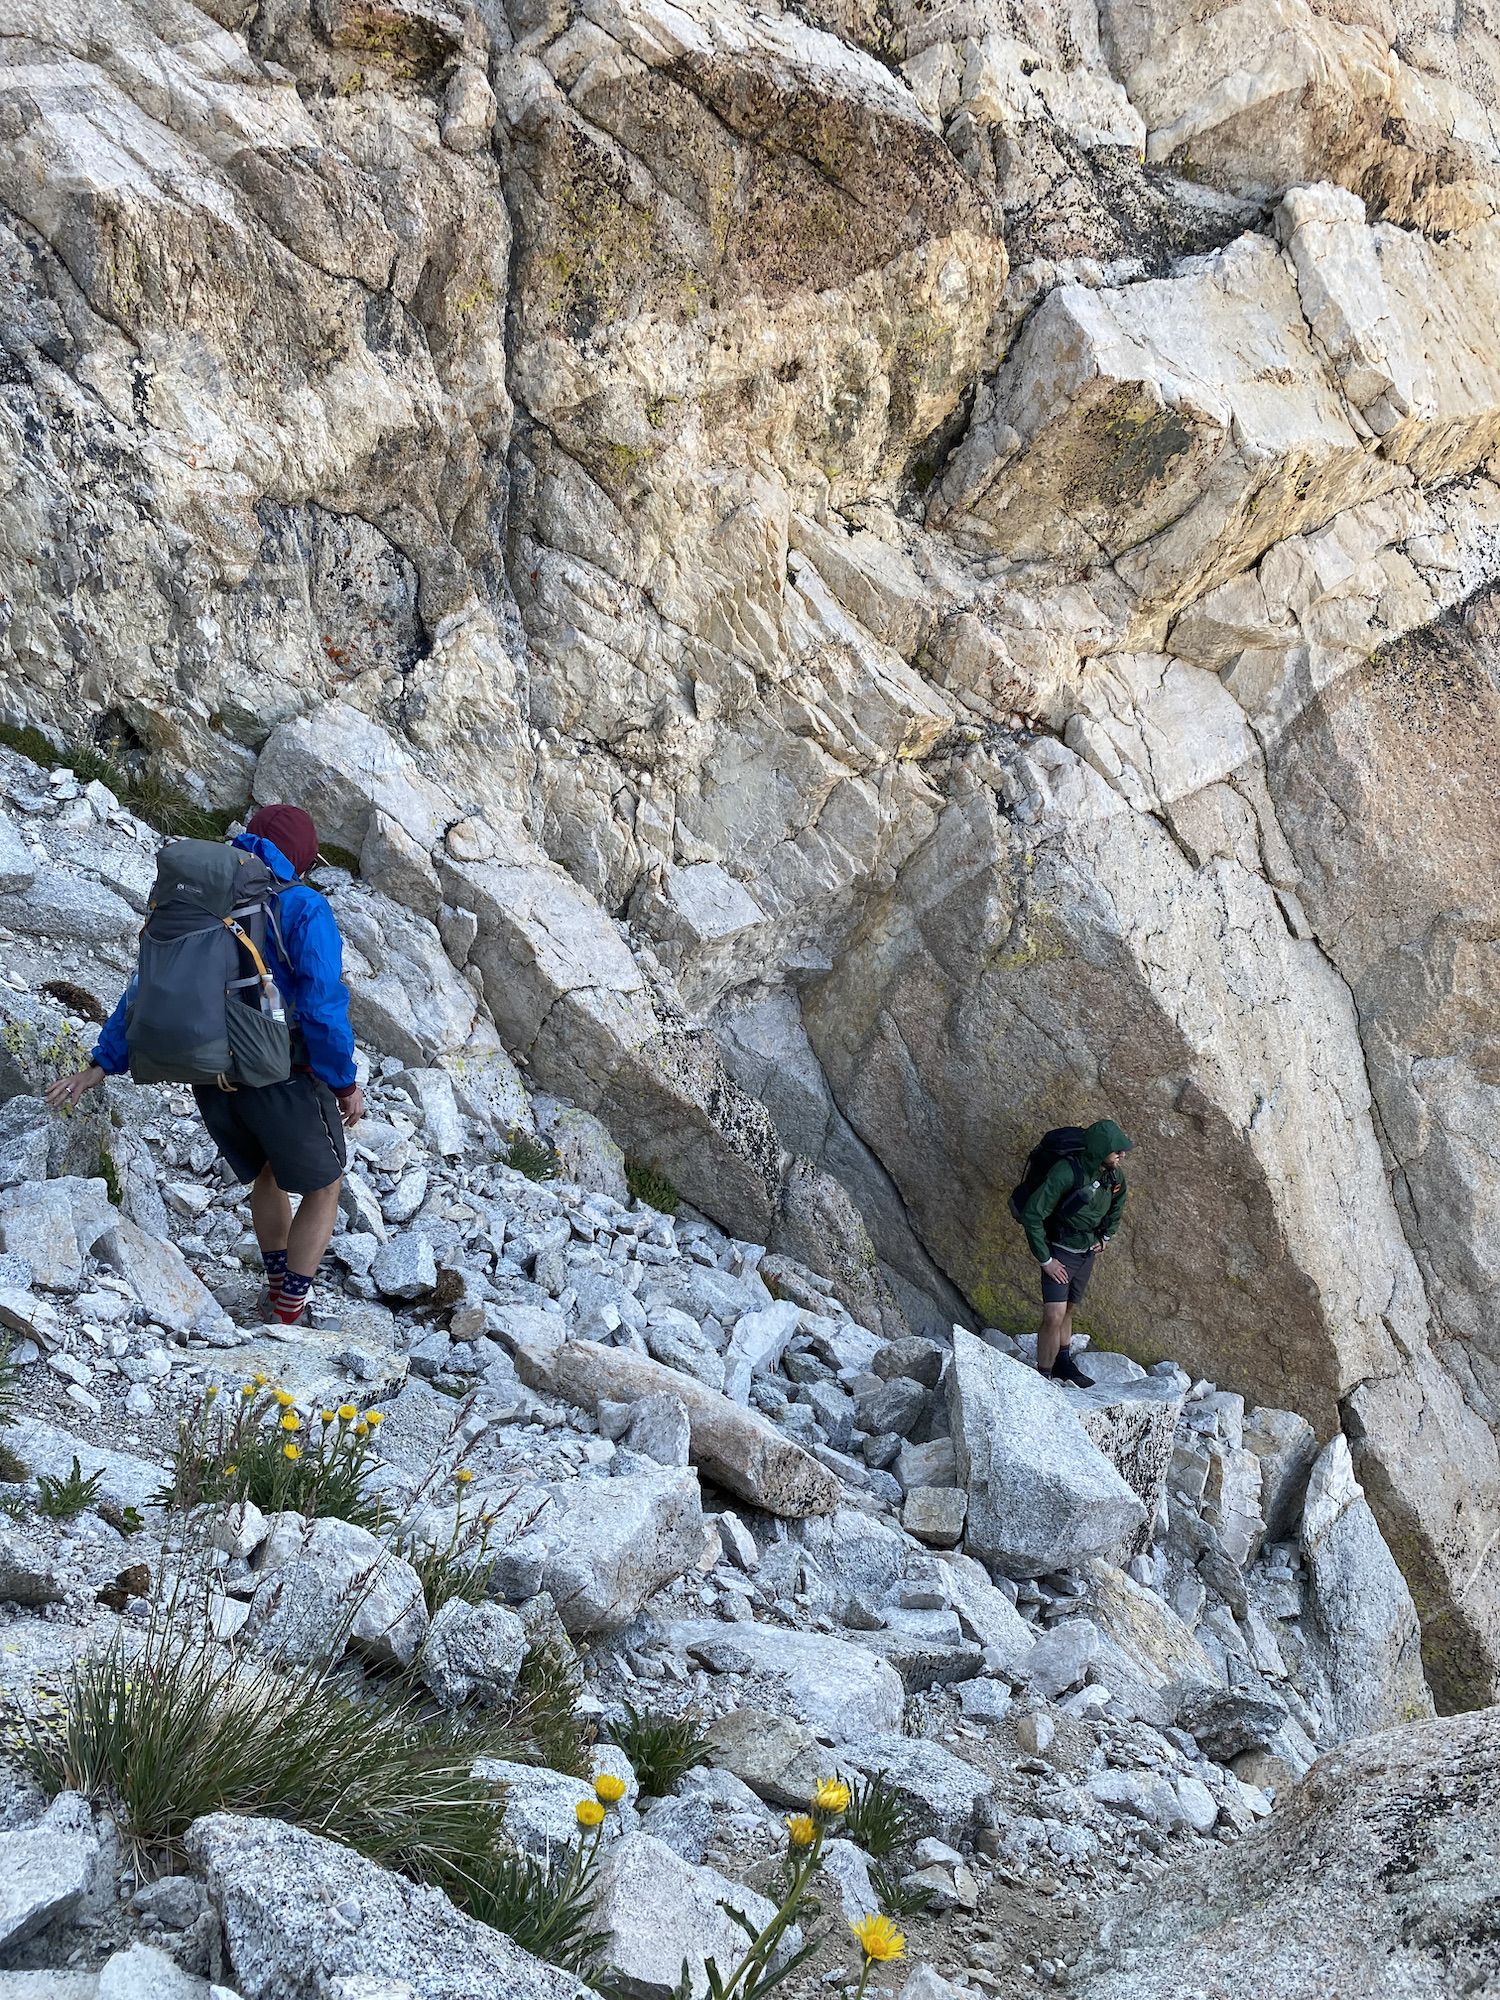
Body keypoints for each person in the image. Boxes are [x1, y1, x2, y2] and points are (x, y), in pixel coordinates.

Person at [45, 804, 364, 1329]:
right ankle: (288, 1311)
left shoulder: (199, 899)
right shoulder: (302, 904)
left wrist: (102, 1064)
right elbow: (322, 1003)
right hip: (276, 1072)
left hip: (207, 1070)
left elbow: (146, 987)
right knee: (324, 1185)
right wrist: (343, 1081)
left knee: (267, 1172)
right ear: (302, 857)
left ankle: (274, 1287)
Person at [1017, 1118, 1132, 1387]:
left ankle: (1063, 1363)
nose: (1122, 1155)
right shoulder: (1065, 1173)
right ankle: (1043, 1374)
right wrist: (1046, 1260)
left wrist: (1106, 1235)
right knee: (1053, 1315)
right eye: (1117, 1150)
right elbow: (1032, 1215)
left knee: (1068, 1309)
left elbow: (1119, 1201)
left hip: (1086, 1251)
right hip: (1060, 1250)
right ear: (1100, 1150)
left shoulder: (1113, 1175)